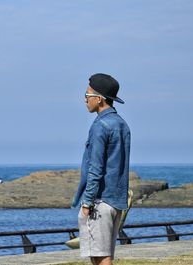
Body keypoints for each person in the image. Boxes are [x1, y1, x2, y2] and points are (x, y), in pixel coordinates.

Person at [71, 73, 131, 265]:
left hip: (100, 201)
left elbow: (95, 168)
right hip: (116, 200)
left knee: (100, 257)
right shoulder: (122, 124)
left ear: (100, 99)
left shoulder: (100, 126)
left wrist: (87, 202)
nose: (85, 99)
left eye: (87, 95)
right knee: (105, 254)